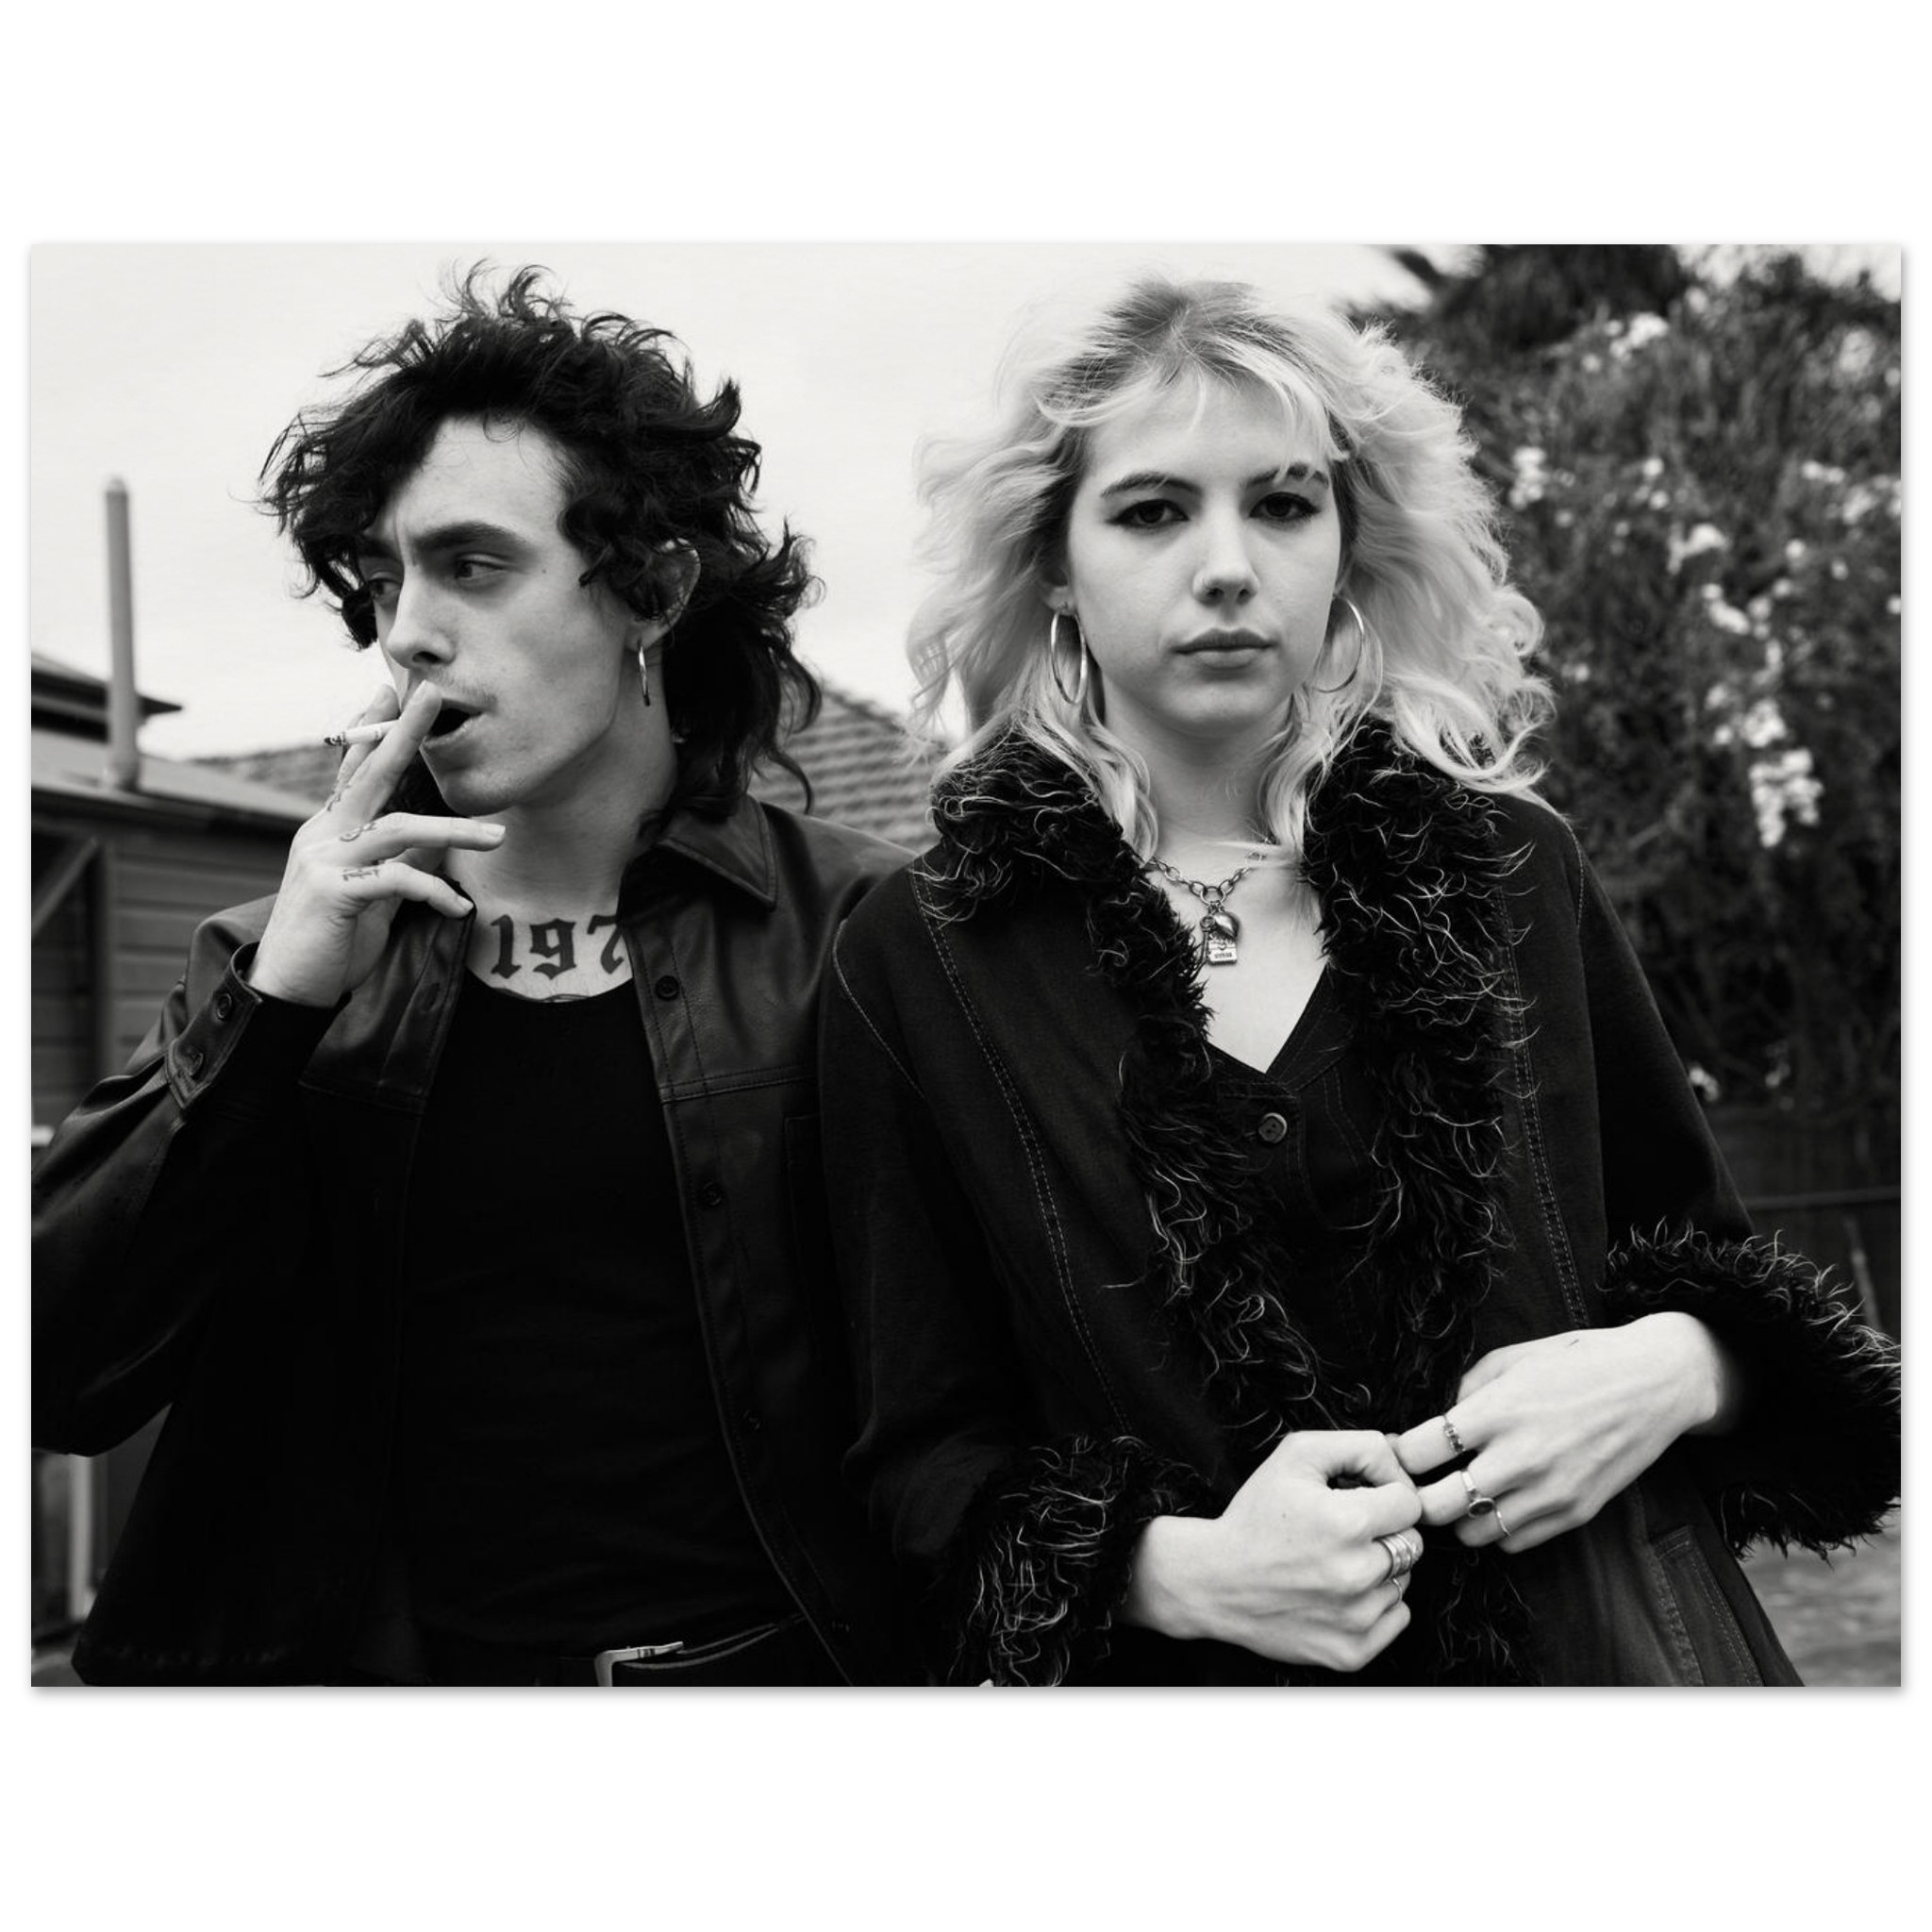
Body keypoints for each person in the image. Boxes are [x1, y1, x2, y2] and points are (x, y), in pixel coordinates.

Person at [821, 275, 1900, 1686]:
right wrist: (1170, 1571)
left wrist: (1680, 1368)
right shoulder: (922, 956)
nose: (1227, 567)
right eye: (1151, 512)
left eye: (1283, 505)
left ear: (1346, 545)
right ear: (1053, 565)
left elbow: (1721, 1268)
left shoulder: (1512, 872)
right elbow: (917, 1456)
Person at [33, 267, 916, 1686]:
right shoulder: (277, 959)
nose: (408, 632)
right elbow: (59, 1374)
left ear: (652, 591)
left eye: (474, 566)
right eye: (385, 583)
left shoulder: (859, 931)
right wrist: (276, 1011)